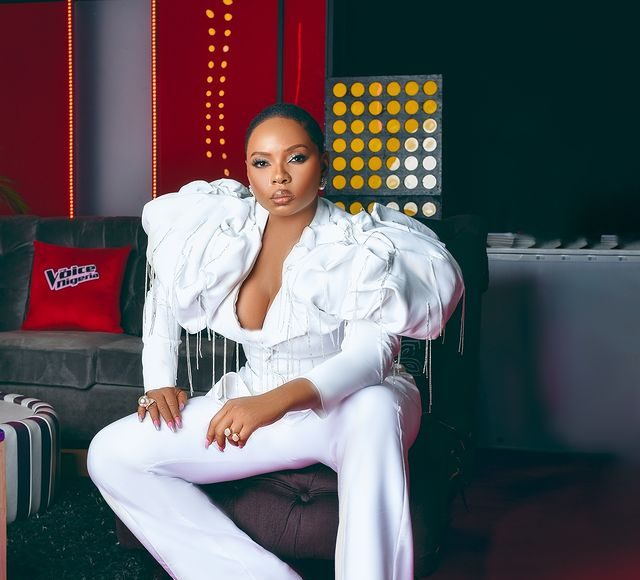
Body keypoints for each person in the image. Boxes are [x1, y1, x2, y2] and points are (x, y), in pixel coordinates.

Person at [88, 103, 464, 580]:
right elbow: (163, 291)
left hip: (348, 404)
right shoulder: (222, 231)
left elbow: (371, 356)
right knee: (111, 453)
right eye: (262, 162)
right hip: (254, 396)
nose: (279, 177)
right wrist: (158, 380)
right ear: (247, 171)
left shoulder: (360, 243)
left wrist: (274, 402)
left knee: (373, 407)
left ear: (323, 164)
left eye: (296, 158)